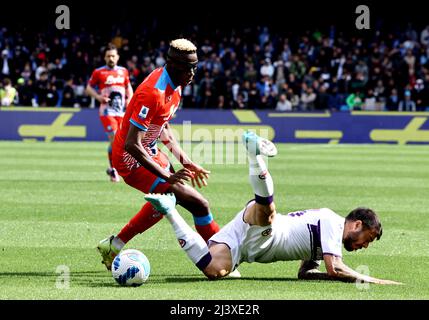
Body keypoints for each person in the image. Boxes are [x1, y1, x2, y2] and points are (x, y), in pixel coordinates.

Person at [144, 131, 402, 285]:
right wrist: (372, 280)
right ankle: (255, 156)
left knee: (214, 271)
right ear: (357, 224)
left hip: (247, 248)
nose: (363, 246)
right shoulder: (333, 224)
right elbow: (336, 268)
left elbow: (306, 273)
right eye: (366, 239)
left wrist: (320, 274)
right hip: (267, 229)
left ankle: (169, 210)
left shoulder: (326, 237)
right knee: (268, 216)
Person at [97, 39, 221, 271]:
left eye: (196, 66)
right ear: (173, 66)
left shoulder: (176, 85)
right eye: (189, 68)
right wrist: (166, 174)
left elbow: (162, 126)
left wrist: (185, 160)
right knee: (199, 204)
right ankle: (223, 257)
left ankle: (114, 244)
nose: (193, 73)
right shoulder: (153, 92)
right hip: (130, 160)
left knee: (167, 201)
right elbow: (132, 144)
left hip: (150, 152)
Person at [86, 43, 133, 182]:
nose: (111, 58)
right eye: (108, 56)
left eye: (113, 56)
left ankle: (115, 168)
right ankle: (114, 171)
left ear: (117, 57)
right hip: (107, 112)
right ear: (104, 58)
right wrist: (98, 97)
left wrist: (129, 100)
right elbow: (88, 88)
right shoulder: (99, 72)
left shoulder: (124, 71)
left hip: (122, 112)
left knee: (119, 141)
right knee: (114, 137)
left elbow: (128, 87)